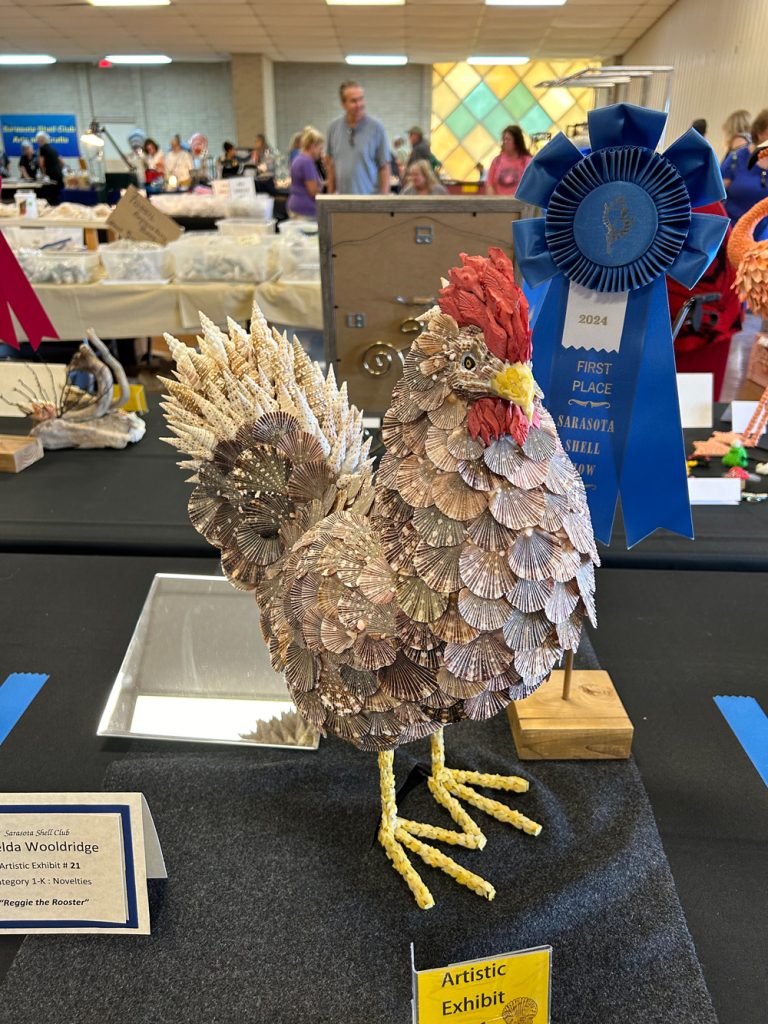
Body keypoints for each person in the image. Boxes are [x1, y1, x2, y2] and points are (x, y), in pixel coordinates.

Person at [325, 80, 390, 196]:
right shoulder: (333, 128)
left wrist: (384, 199)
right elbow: (330, 165)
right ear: (343, 104)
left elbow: (384, 167)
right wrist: (331, 196)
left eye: (361, 99)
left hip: (369, 199)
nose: (359, 104)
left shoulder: (376, 128)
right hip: (342, 200)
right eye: (354, 101)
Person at [721, 109, 768, 240]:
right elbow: (716, 194)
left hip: (762, 238)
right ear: (760, 133)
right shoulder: (736, 158)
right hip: (731, 232)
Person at [287, 126, 324, 219]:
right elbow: (313, 191)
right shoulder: (307, 163)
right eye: (320, 148)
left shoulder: (298, 159)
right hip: (305, 210)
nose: (321, 152)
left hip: (296, 206)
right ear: (313, 146)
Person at [486, 125, 531, 196]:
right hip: (499, 201)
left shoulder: (526, 161)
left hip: (519, 201)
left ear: (517, 141)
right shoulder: (496, 161)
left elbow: (531, 185)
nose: (505, 142)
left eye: (508, 139)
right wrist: (492, 200)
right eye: (504, 139)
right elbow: (489, 184)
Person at [35, 131, 63, 203]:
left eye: (38, 140)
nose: (37, 142)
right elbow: (62, 162)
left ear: (41, 140)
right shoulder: (53, 149)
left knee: (50, 198)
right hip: (59, 175)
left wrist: (44, 175)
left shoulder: (42, 149)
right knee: (57, 198)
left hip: (51, 176)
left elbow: (41, 164)